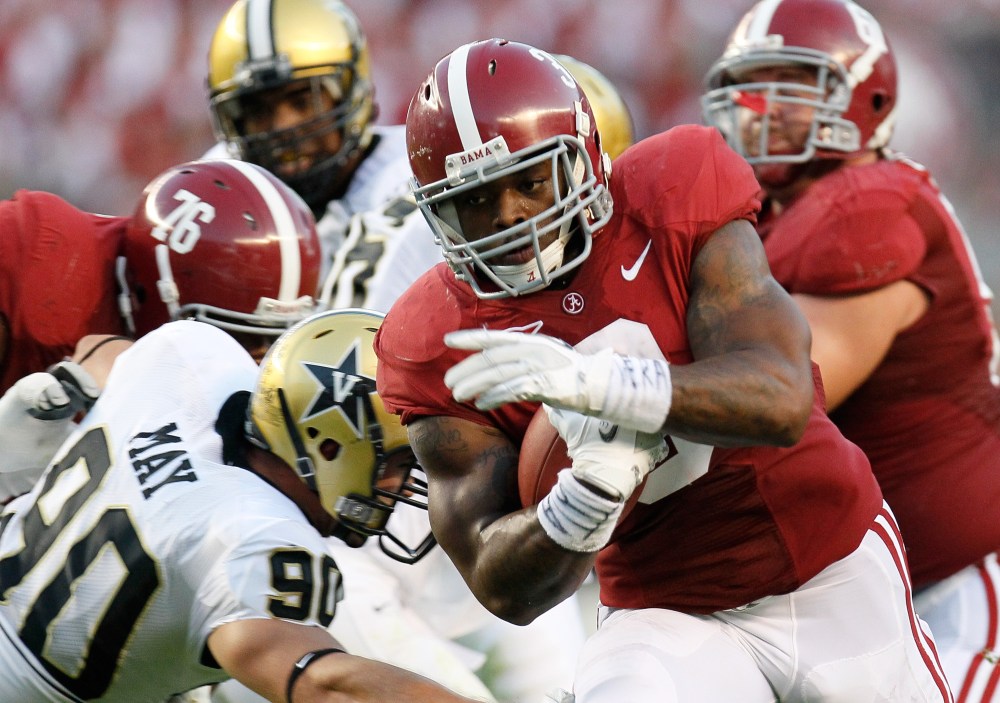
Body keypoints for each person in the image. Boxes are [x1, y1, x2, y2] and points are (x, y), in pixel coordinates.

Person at [373, 37, 954, 702]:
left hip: (827, 562)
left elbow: (782, 396)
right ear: (436, 210)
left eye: (530, 182)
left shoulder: (671, 191)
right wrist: (581, 501)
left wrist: (610, 388)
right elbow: (497, 580)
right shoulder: (431, 337)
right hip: (664, 610)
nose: (509, 218)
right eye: (475, 200)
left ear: (586, 156)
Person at [204, 3, 592, 700]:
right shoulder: (219, 196)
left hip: (441, 481)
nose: (284, 128)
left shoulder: (426, 179)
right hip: (332, 517)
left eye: (302, 99)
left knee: (566, 676)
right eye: (259, 110)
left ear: (352, 88)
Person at [700, 0, 1000, 699]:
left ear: (866, 97)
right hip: (863, 591)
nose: (765, 109)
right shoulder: (772, 216)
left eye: (792, 86)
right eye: (752, 86)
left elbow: (776, 397)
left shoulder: (868, 204)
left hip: (962, 581)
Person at [0, 308, 486, 703]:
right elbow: (324, 685)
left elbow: (104, 349)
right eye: (396, 463)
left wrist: (72, 384)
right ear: (331, 447)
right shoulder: (254, 538)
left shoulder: (190, 354)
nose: (403, 484)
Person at [0, 157, 323, 498]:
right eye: (240, 338)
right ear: (150, 293)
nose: (255, 365)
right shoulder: (39, 268)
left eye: (274, 342)